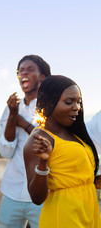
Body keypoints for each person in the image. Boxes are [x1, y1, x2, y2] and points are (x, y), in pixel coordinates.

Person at [23, 75, 101, 228]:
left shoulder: (74, 134)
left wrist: (92, 179)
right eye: (69, 102)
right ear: (49, 102)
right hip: (64, 215)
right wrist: (43, 162)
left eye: (78, 102)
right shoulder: (40, 138)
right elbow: (37, 197)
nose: (77, 107)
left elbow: (72, 172)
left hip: (88, 211)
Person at [0, 55, 51, 228]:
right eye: (20, 70)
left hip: (44, 192)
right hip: (12, 190)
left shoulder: (51, 107)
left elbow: (48, 142)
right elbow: (6, 151)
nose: (23, 73)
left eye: (29, 69)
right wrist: (13, 115)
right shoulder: (12, 108)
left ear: (42, 77)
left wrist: (23, 123)